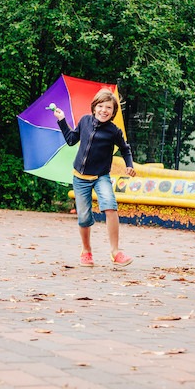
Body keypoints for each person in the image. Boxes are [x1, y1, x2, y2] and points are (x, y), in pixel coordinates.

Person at [52, 89, 136, 267]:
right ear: (94, 107)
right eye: (100, 106)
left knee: (110, 207)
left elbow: (125, 148)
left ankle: (115, 252)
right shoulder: (84, 121)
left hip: (101, 176)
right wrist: (61, 120)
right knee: (84, 217)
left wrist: (129, 165)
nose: (104, 110)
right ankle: (86, 251)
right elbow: (71, 140)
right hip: (80, 177)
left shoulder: (114, 131)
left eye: (108, 107)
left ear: (113, 112)